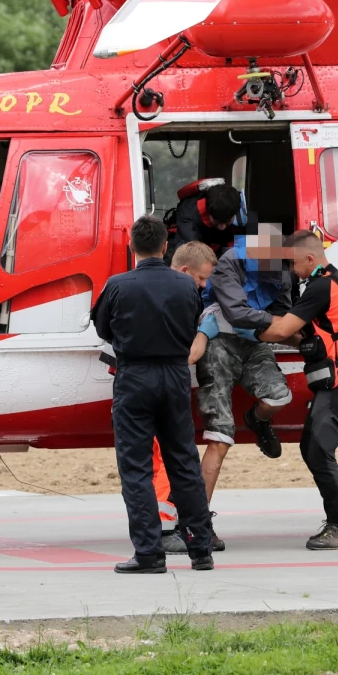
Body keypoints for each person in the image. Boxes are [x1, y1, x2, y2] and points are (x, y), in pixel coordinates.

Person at [93, 215, 214, 574]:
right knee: (184, 463)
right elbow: (192, 324)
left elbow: (102, 328)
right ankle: (201, 550)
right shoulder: (186, 286)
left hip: (134, 377)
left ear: (131, 246)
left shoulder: (117, 285)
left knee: (136, 467)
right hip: (175, 376)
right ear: (165, 247)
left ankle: (148, 553)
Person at [163, 224, 293, 555]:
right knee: (219, 438)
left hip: (251, 341)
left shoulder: (280, 271)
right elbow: (236, 313)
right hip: (217, 345)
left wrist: (277, 328)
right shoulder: (228, 265)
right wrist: (274, 326)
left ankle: (257, 420)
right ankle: (195, 526)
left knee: (279, 396)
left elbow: (283, 311)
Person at [259, 230, 338, 551]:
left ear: (310, 259)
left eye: (293, 264)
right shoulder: (327, 281)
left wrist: (243, 322)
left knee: (319, 450)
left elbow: (282, 330)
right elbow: (302, 336)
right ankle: (337, 521)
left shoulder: (322, 287)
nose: (291, 271)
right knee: (310, 447)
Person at [148, 241, 219, 540]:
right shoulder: (179, 297)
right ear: (185, 270)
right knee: (170, 456)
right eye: (201, 279)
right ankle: (166, 526)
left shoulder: (140, 287)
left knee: (151, 459)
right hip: (164, 387)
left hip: (136, 386)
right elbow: (185, 355)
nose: (203, 286)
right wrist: (203, 334)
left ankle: (153, 525)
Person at [164, 180, 243, 264]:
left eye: (227, 221)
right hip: (190, 244)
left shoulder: (240, 209)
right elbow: (193, 252)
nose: (222, 227)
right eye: (216, 221)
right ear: (207, 212)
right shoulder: (188, 215)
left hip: (221, 247)